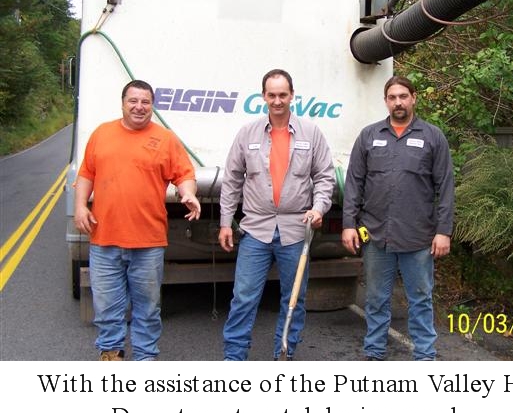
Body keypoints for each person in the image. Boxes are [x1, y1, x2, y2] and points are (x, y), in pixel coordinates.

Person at [74, 79, 201, 361]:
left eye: (145, 102)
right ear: (123, 103)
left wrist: (188, 193)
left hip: (148, 242)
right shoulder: (101, 134)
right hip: (104, 238)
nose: (139, 107)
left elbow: (184, 174)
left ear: (152, 106)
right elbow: (86, 174)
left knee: (148, 308)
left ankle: (145, 358)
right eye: (133, 101)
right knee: (107, 308)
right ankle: (111, 355)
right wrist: (80, 206)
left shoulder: (166, 139)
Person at [219, 68, 335, 360]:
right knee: (244, 297)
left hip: (296, 231)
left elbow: (325, 176)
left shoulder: (311, 133)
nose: (277, 101)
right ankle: (234, 358)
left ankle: (284, 354)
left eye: (283, 94)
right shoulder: (247, 133)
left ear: (292, 95)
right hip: (255, 230)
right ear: (263, 96)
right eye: (272, 95)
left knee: (294, 299)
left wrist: (319, 207)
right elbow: (232, 180)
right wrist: (225, 223)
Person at [341, 75, 454, 361]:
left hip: (418, 237)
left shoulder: (433, 137)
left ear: (414, 98)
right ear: (386, 101)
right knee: (376, 299)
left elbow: (445, 187)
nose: (398, 102)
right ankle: (374, 352)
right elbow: (354, 183)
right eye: (392, 97)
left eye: (403, 96)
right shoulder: (369, 136)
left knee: (421, 299)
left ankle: (425, 355)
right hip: (376, 235)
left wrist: (443, 231)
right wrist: (348, 225)